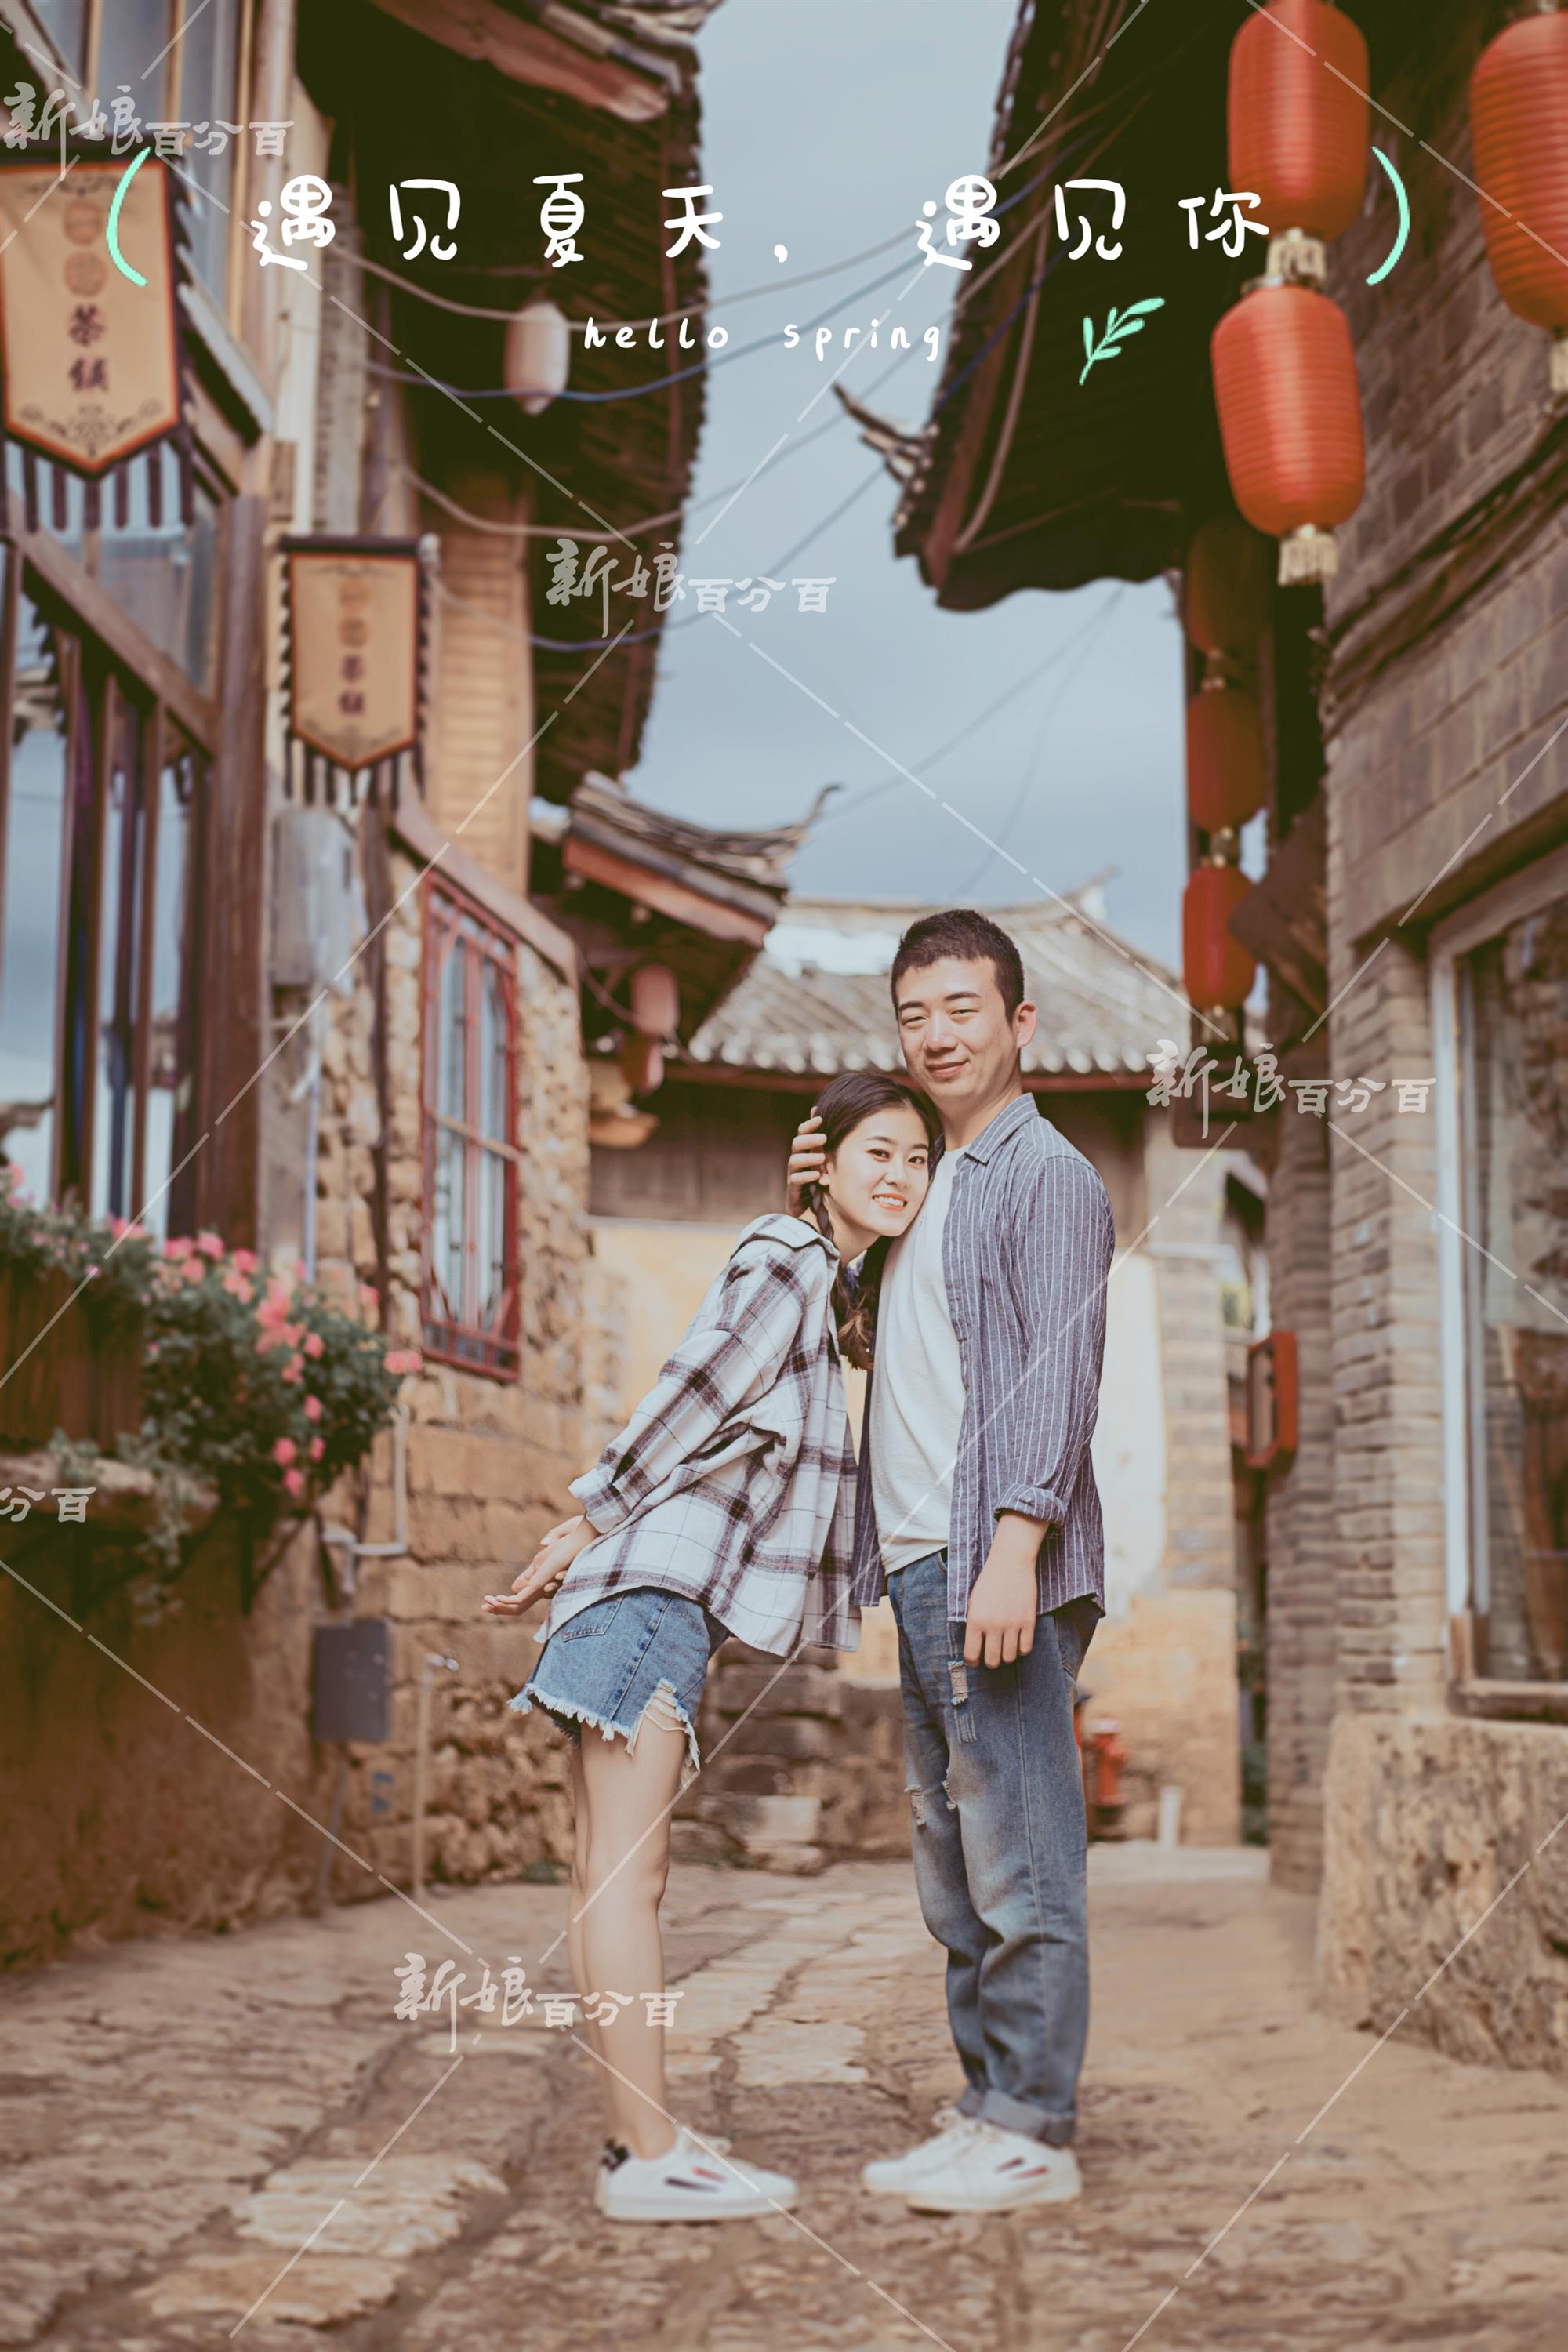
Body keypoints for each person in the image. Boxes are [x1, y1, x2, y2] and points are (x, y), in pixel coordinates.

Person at [483, 1071, 937, 2223]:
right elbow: (692, 1394)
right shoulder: (785, 1258)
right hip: (648, 1598)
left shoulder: (819, 1278)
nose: (898, 1176)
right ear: (824, 1162)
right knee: (626, 1884)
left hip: (642, 1602)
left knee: (606, 1878)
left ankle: (637, 2140)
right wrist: (589, 1513)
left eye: (917, 1159)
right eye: (876, 1152)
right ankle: (647, 2154)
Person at [786, 908, 1114, 2216]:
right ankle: (986, 2108)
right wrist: (827, 1207)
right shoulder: (930, 1184)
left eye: (962, 1009)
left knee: (1022, 1859)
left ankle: (1033, 2125)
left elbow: (1061, 1377)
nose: (936, 1035)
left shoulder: (1048, 1178)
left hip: (995, 1560)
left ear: (1019, 1022)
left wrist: (1016, 1546)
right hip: (924, 1561)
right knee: (955, 1865)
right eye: (914, 1014)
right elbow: (870, 1347)